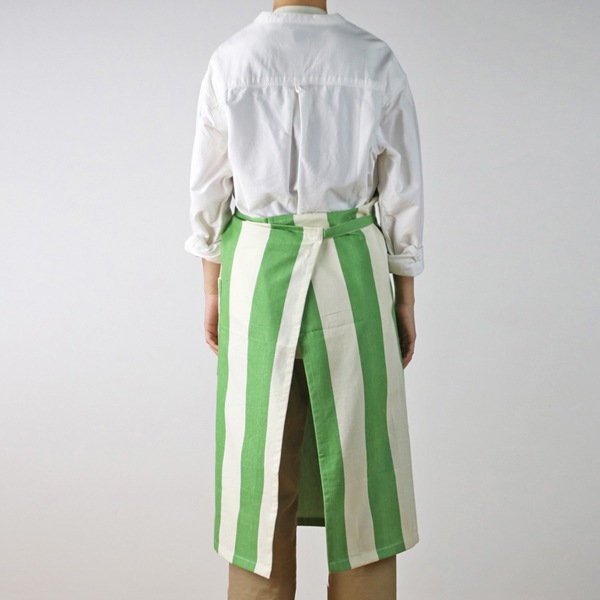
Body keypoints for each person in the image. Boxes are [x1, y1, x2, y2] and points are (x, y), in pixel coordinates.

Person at [184, 2, 425, 598]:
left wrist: (212, 289)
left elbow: (209, 190)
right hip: (353, 271)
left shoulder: (232, 59)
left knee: (259, 473)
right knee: (365, 474)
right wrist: (405, 297)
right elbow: (402, 190)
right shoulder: (373, 58)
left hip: (256, 274)